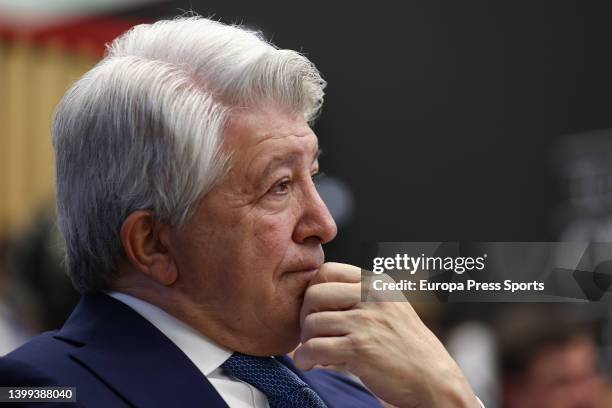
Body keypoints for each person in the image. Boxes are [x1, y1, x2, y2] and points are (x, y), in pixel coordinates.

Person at [0, 16, 482, 407]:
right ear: (154, 243)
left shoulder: (356, 395)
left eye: (311, 177)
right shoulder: (39, 390)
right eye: (279, 186)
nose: (323, 223)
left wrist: (448, 396)